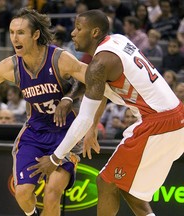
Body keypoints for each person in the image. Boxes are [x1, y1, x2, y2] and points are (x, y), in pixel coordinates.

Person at [28, 9, 184, 216]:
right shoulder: (117, 41)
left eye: (78, 28)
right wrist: (87, 120)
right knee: (130, 191)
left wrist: (56, 158)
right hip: (175, 119)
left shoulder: (101, 63)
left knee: (105, 181)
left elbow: (84, 112)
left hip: (157, 123)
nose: (73, 33)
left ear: (94, 32)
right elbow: (99, 86)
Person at [0, 8, 87, 216]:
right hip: (35, 132)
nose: (14, 38)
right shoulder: (12, 66)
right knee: (22, 193)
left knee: (52, 192)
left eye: (20, 33)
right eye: (11, 32)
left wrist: (68, 98)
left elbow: (89, 77)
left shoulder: (59, 58)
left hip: (66, 133)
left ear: (35, 34)